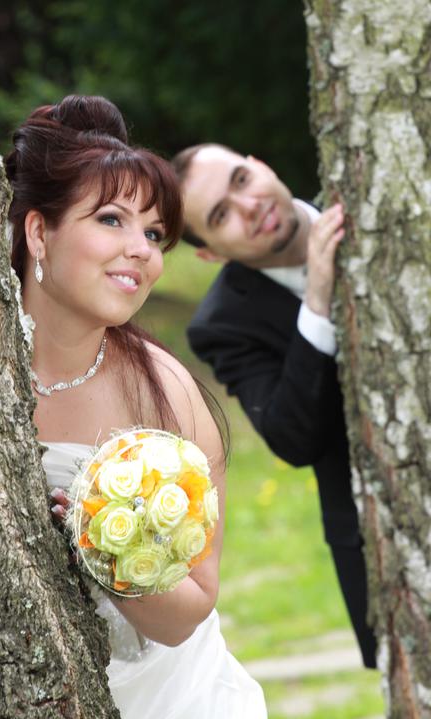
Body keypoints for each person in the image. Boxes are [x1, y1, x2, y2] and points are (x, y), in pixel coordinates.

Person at [6, 98, 267, 719]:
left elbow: (190, 610)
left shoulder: (167, 394)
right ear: (39, 232)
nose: (142, 250)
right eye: (112, 220)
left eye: (153, 234)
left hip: (180, 698)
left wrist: (107, 554)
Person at [171, 143, 377, 669]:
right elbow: (293, 439)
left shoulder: (376, 202)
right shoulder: (222, 325)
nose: (249, 206)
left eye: (242, 179)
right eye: (221, 215)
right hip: (380, 534)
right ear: (210, 253)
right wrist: (318, 300)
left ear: (261, 165)